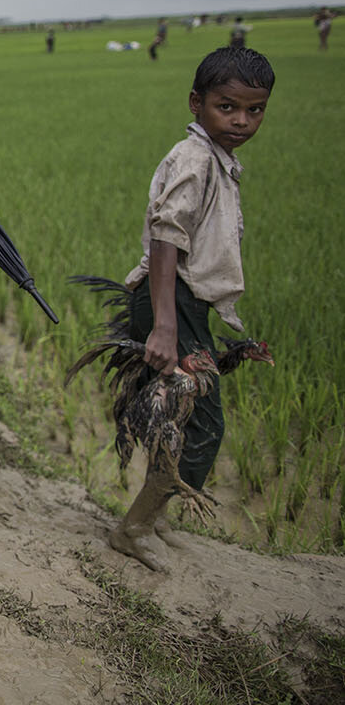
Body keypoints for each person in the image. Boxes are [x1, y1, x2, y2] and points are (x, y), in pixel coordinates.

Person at [108, 46, 273, 571]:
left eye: (255, 110)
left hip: (183, 304)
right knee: (202, 425)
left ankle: (152, 520)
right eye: (228, 107)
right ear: (197, 103)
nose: (242, 121)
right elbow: (165, 238)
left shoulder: (217, 160)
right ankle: (134, 528)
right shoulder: (194, 159)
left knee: (180, 420)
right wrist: (163, 325)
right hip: (169, 300)